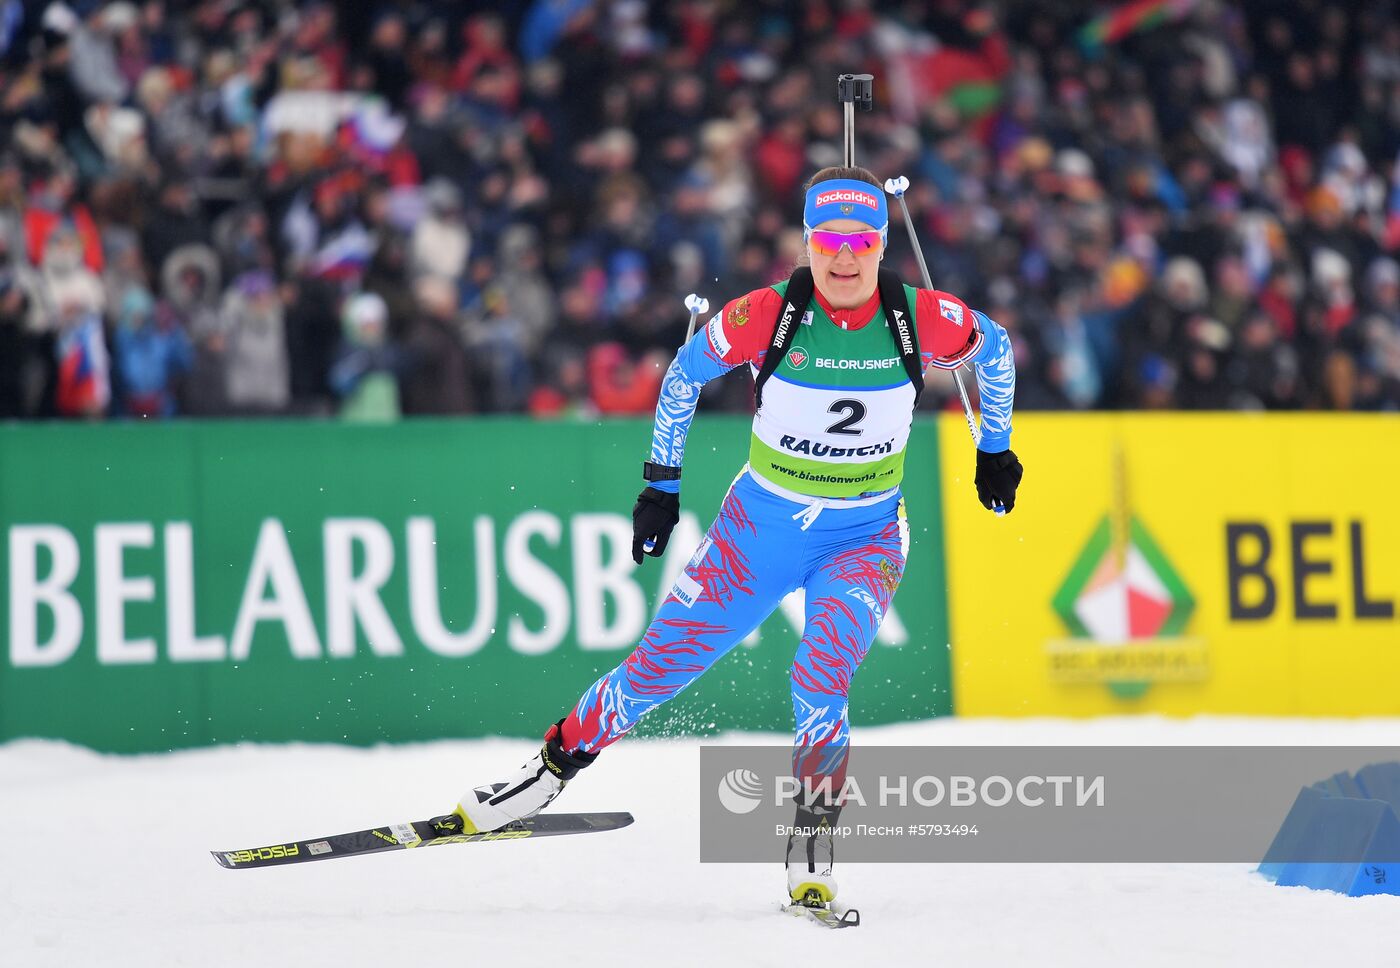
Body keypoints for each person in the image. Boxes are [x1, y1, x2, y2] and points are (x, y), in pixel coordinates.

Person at [445, 166, 1023, 908]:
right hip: (759, 529)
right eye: (828, 239)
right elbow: (682, 378)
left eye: (860, 240)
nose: (843, 257)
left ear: (882, 244)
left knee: (821, 674)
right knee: (657, 671)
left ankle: (813, 840)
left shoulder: (921, 319)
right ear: (808, 240)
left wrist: (994, 448)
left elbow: (997, 349)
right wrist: (660, 485)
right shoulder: (767, 316)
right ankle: (548, 770)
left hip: (866, 537)